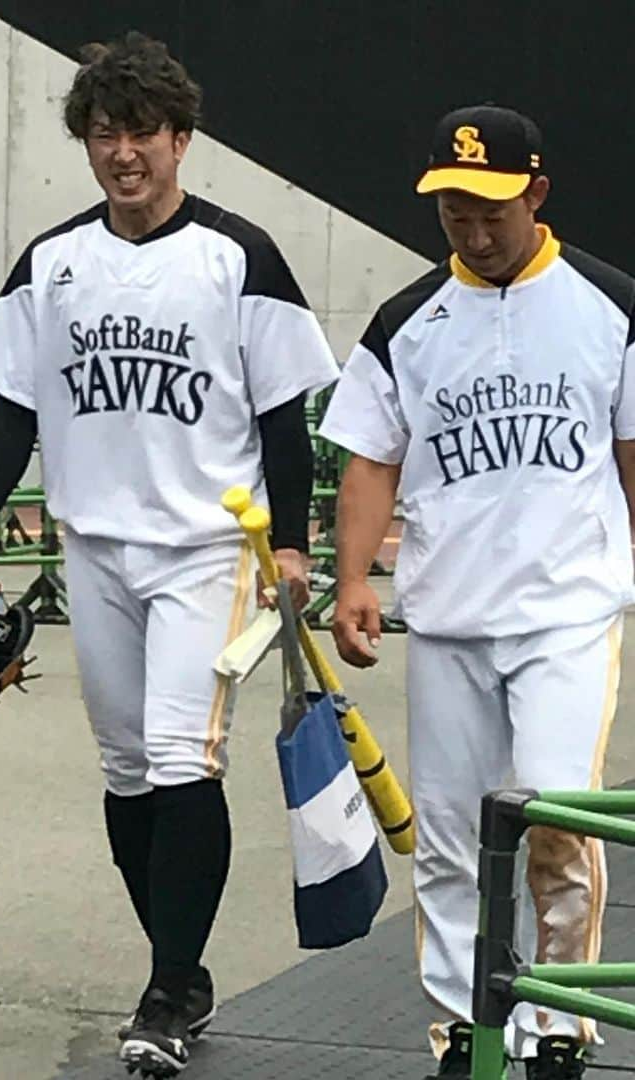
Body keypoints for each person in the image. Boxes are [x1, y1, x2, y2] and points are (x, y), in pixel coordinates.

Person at [0, 32, 338, 1078]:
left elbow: (285, 420)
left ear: (180, 139)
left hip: (207, 547)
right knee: (124, 768)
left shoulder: (239, 255)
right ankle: (179, 969)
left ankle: (168, 987)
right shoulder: (55, 262)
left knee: (176, 755)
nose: (124, 153)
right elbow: (13, 413)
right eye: (105, 133)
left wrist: (292, 545)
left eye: (142, 133)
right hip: (93, 547)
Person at [318, 105, 635, 1080]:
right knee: (452, 843)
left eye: (491, 205)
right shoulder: (406, 322)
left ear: (536, 193)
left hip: (566, 617)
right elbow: (371, 460)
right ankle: (466, 1031)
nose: (472, 224)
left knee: (553, 829)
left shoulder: (609, 305)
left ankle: (556, 1029)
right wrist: (355, 579)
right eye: (454, 206)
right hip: (449, 619)